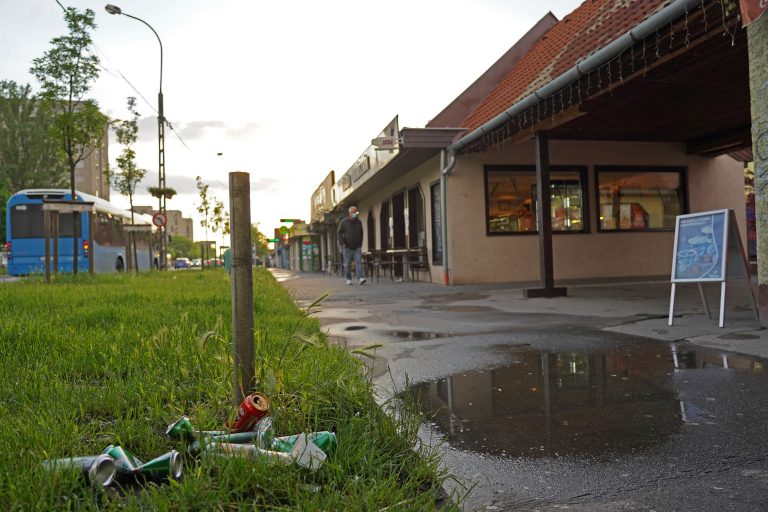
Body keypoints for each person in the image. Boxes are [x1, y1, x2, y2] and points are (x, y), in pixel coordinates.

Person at [337, 206, 366, 285]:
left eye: (356, 212)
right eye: (353, 212)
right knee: (347, 264)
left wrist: (360, 244)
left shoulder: (359, 222)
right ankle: (348, 279)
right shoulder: (344, 222)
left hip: (357, 247)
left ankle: (360, 278)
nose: (355, 214)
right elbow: (339, 233)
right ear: (349, 213)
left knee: (358, 262)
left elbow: (361, 233)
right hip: (347, 247)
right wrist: (342, 243)